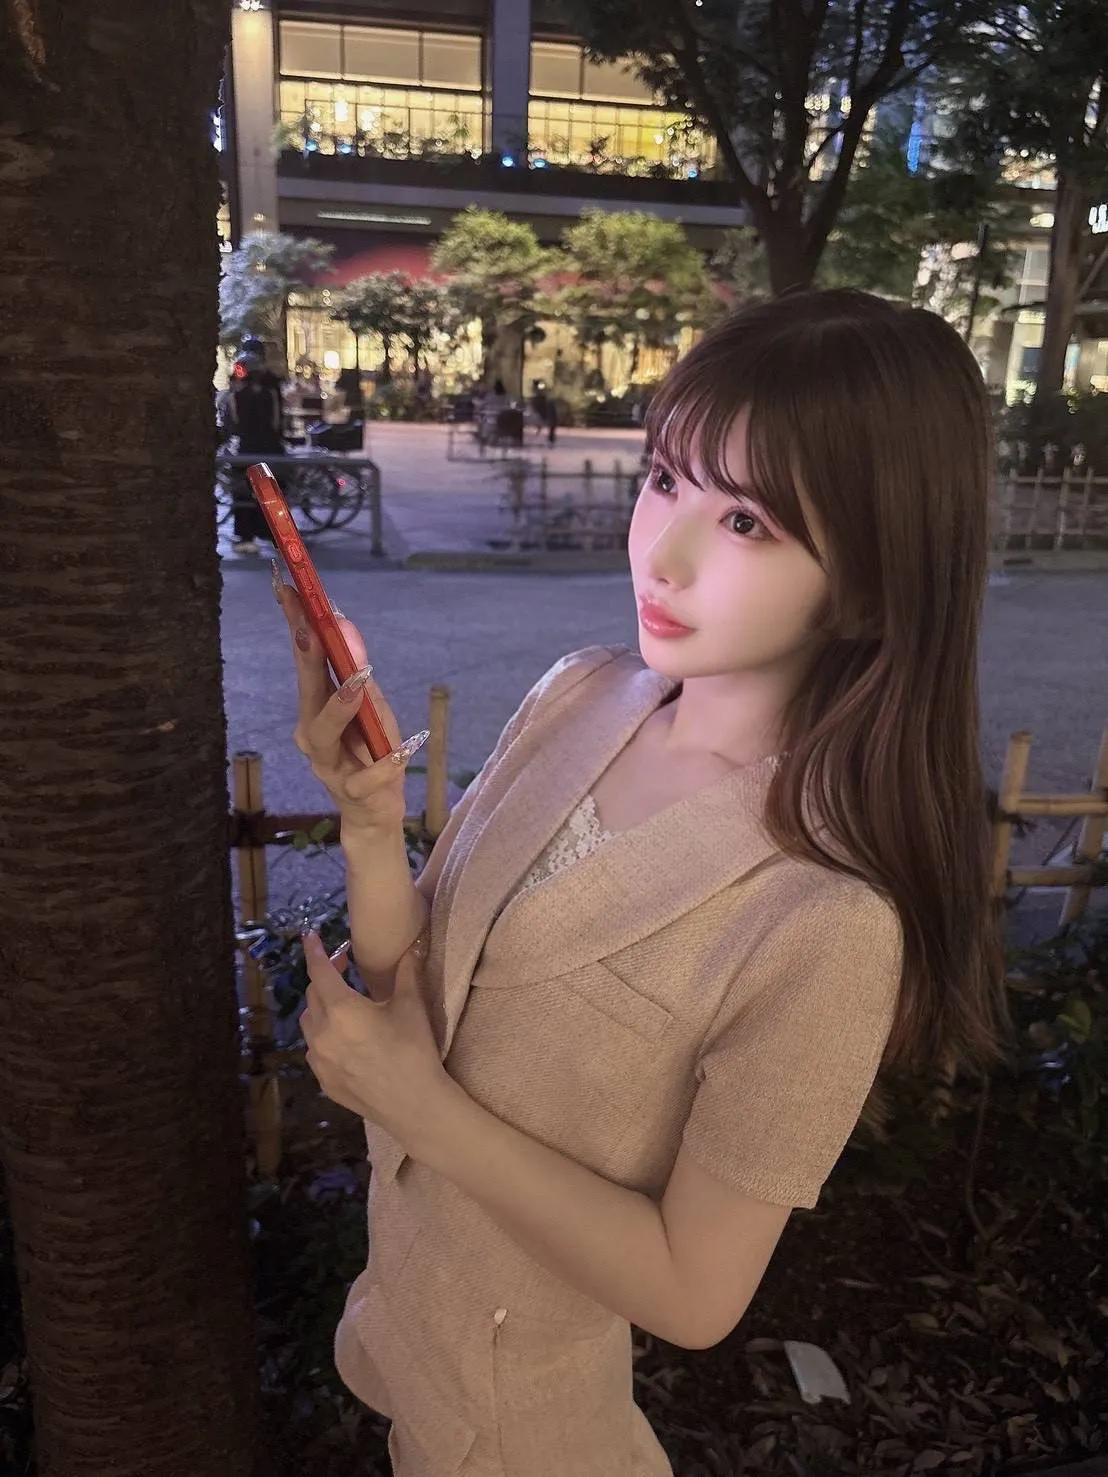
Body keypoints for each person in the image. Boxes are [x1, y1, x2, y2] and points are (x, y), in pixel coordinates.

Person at [275, 289, 1007, 1476]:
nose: (662, 554)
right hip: (395, 1340)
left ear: (871, 583)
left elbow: (694, 1290)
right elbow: (417, 978)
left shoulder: (824, 916)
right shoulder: (579, 693)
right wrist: (367, 823)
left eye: (748, 522)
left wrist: (418, 1106)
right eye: (665, 479)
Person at [224, 357, 283, 554]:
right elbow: (276, 423)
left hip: (245, 449)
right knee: (272, 492)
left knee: (242, 491)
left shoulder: (236, 396)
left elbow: (232, 425)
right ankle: (271, 532)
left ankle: (245, 535)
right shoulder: (271, 394)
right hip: (270, 449)